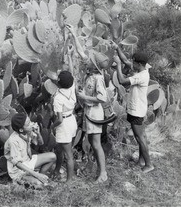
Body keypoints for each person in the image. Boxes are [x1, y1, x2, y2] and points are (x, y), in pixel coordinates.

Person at [66, 24, 108, 183]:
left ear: (94, 65)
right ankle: (96, 168)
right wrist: (74, 34)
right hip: (88, 113)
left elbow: (102, 98)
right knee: (91, 142)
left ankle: (103, 173)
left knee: (96, 144)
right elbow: (80, 52)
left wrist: (84, 97)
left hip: (95, 114)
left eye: (89, 60)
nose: (86, 59)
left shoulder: (98, 79)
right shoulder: (91, 71)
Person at [112, 45, 154, 173]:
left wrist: (118, 65)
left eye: (134, 62)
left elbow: (122, 81)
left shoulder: (141, 76)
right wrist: (117, 48)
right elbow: (126, 60)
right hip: (136, 109)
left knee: (140, 137)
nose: (131, 64)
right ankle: (141, 160)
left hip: (137, 111)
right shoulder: (142, 68)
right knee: (140, 136)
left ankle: (149, 164)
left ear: (139, 64)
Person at [4, 112, 56, 187]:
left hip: (28, 161)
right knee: (39, 184)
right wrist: (36, 174)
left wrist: (38, 134)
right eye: (28, 124)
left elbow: (40, 143)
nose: (31, 124)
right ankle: (23, 180)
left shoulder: (28, 131)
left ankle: (41, 175)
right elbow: (17, 164)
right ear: (21, 130)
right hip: (18, 170)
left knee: (53, 156)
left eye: (30, 121)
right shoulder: (13, 141)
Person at [51, 70, 78, 183]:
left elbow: (59, 119)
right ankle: (57, 171)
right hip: (72, 120)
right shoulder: (72, 88)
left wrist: (52, 126)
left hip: (64, 125)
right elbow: (72, 76)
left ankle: (69, 181)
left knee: (68, 154)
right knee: (59, 149)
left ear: (59, 82)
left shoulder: (58, 98)